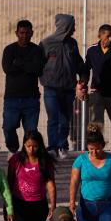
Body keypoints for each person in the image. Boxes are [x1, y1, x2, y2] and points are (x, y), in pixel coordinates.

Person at [7, 130, 56, 221]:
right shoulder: (15, 160)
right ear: (23, 145)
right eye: (28, 146)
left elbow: (50, 184)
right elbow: (9, 183)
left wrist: (52, 205)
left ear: (40, 146)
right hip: (19, 205)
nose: (31, 149)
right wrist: (7, 207)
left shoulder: (45, 161)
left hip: (38, 206)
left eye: (35, 146)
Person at [39, 14, 84, 160]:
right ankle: (52, 148)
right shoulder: (46, 43)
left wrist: (82, 80)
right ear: (65, 26)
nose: (74, 29)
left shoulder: (72, 44)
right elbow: (38, 65)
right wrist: (45, 79)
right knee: (53, 118)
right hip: (51, 89)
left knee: (65, 119)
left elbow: (79, 64)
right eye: (72, 26)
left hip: (68, 89)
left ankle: (63, 146)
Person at [81, 24, 111, 153]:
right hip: (96, 92)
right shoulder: (92, 50)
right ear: (99, 36)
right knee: (95, 122)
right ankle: (94, 145)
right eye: (107, 36)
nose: (109, 39)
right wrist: (83, 87)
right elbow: (86, 70)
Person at [1, 19, 46, 154]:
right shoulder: (9, 50)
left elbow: (38, 69)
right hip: (12, 98)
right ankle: (13, 150)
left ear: (32, 33)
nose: (24, 35)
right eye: (22, 32)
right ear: (16, 33)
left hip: (31, 98)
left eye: (27, 32)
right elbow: (8, 69)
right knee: (8, 127)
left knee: (31, 131)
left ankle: (29, 155)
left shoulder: (37, 50)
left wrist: (19, 63)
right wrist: (28, 65)